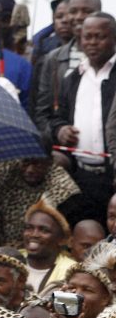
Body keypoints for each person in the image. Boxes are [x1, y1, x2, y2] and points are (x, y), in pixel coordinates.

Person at [49, 13, 116, 226]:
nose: (93, 42)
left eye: (100, 36)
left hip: (112, 175)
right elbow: (56, 117)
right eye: (88, 37)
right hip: (80, 174)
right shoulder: (72, 78)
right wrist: (61, 130)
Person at [32, 0, 99, 134]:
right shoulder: (53, 59)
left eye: (87, 11)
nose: (79, 17)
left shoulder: (110, 58)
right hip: (64, 149)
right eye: (73, 11)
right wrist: (58, 133)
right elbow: (42, 113)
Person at [0, 149, 80, 247]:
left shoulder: (63, 188)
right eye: (26, 162)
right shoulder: (4, 171)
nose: (30, 170)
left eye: (37, 164)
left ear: (49, 162)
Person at [24, 199, 78, 295]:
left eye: (44, 230)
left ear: (62, 239)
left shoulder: (72, 271)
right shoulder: (11, 259)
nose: (34, 234)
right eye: (29, 228)